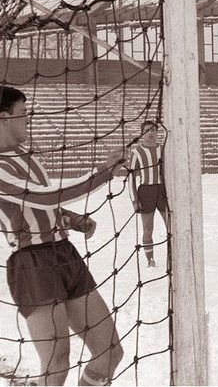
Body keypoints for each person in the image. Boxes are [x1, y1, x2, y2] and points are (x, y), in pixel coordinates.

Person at [0, 86, 125, 385]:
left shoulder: (25, 154)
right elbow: (45, 197)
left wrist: (69, 218)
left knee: (110, 352)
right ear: (3, 118)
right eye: (23, 114)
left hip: (65, 255)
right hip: (33, 264)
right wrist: (103, 172)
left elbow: (42, 204)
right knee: (57, 361)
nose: (27, 120)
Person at [128, 120, 168, 267]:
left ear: (156, 132)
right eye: (147, 130)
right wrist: (134, 200)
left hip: (163, 191)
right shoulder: (137, 152)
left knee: (171, 226)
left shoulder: (163, 149)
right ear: (142, 133)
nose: (150, 133)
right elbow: (130, 177)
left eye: (153, 130)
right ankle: (150, 260)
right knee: (148, 228)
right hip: (146, 192)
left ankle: (172, 256)